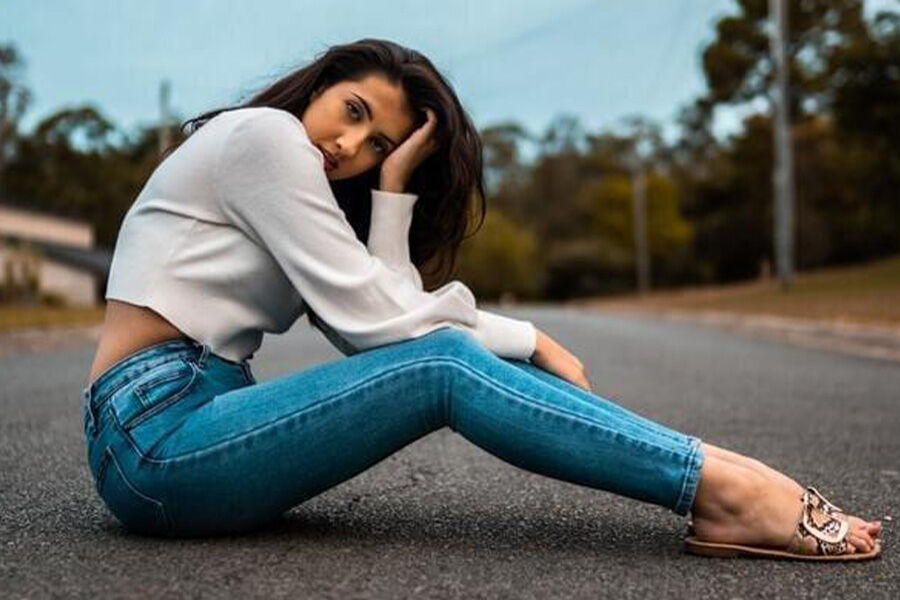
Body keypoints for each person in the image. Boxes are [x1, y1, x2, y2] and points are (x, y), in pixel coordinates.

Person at [81, 39, 882, 560]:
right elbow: (381, 328)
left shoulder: (302, 181)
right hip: (156, 430)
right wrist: (529, 337)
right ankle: (725, 488)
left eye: (381, 146)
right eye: (352, 112)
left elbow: (378, 313)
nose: (350, 148)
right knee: (446, 366)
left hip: (193, 416)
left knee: (441, 358)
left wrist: (391, 195)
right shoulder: (264, 137)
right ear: (321, 84)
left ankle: (724, 476)